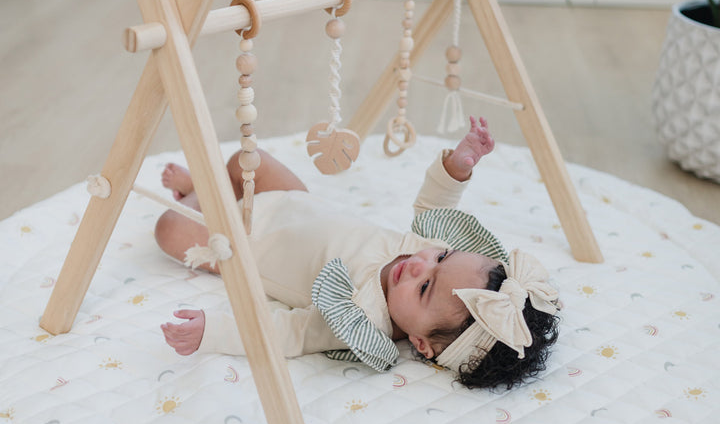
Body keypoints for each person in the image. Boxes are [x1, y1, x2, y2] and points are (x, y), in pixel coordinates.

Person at [156, 117, 559, 390]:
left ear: (420, 343)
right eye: (441, 258)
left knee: (170, 230)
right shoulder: (420, 252)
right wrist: (458, 165)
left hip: (243, 242)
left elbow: (287, 332)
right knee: (245, 160)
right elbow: (435, 206)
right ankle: (210, 191)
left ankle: (199, 194)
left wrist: (215, 331)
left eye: (423, 289)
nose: (419, 264)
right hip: (293, 201)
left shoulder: (359, 318)